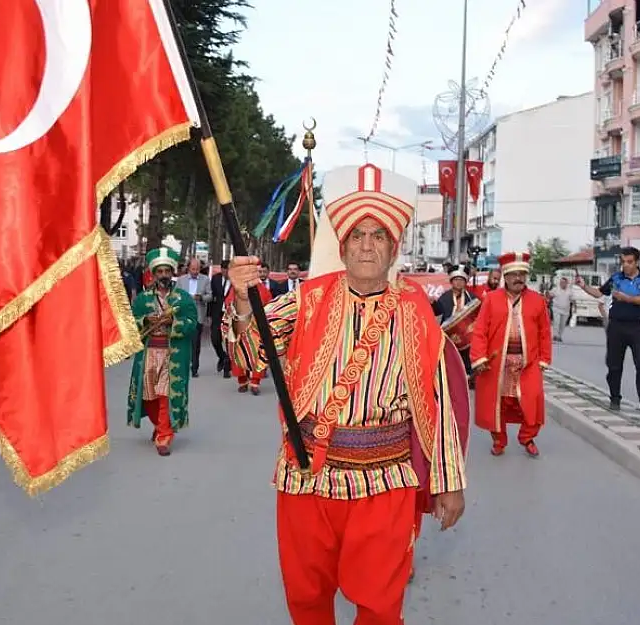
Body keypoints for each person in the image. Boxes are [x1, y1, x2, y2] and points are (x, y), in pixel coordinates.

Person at [224, 163, 467, 624]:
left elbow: (439, 404)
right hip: (306, 476)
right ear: (343, 246)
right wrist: (240, 301)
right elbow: (251, 358)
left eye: (378, 236)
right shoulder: (306, 300)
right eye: (358, 235)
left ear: (393, 248)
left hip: (384, 480)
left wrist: (448, 481)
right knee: (307, 600)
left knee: (380, 606)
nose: (368, 245)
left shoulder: (417, 313)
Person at [469, 251, 552, 457]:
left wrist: (544, 359)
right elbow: (480, 331)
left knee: (532, 401)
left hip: (528, 363)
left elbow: (545, 332)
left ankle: (527, 437)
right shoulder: (491, 300)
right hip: (497, 363)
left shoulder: (537, 300)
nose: (518, 279)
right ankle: (499, 441)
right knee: (497, 405)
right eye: (514, 274)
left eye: (522, 274)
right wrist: (479, 357)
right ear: (505, 276)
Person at [126, 248, 198, 456]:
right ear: (154, 274)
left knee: (165, 393)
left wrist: (173, 322)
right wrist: (146, 321)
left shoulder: (183, 298)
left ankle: (164, 435)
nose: (164, 275)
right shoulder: (142, 299)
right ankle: (159, 424)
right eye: (160, 272)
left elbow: (192, 322)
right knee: (149, 396)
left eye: (167, 271)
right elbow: (131, 322)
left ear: (172, 272)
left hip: (172, 353)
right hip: (149, 354)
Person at [575, 247, 640, 411]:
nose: (626, 265)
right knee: (614, 364)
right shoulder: (616, 278)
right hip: (617, 325)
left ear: (637, 262)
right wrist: (583, 286)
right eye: (623, 262)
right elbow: (598, 293)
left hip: (638, 325)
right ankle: (615, 398)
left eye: (629, 262)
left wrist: (627, 298)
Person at [225, 276, 271, 394]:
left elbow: (269, 304)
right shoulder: (236, 287)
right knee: (238, 354)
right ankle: (243, 381)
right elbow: (228, 302)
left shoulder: (261, 289)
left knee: (257, 355)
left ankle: (255, 382)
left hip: (256, 328)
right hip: (239, 326)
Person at [175, 258, 211, 377]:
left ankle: (194, 367)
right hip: (183, 316)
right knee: (183, 342)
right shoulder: (180, 280)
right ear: (188, 268)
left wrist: (201, 297)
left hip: (198, 316)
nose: (195, 271)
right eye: (193, 269)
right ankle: (182, 365)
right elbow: (175, 295)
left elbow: (210, 296)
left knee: (195, 343)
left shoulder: (205, 280)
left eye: (198, 269)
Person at [208, 260, 232, 377]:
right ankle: (222, 357)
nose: (228, 272)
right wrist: (209, 315)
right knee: (215, 339)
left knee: (228, 341)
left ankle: (227, 367)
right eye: (225, 269)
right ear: (222, 269)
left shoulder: (235, 280)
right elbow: (211, 296)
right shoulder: (215, 279)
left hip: (230, 315)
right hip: (217, 313)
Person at [548, 276, 572, 342]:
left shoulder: (570, 290)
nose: (562, 284)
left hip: (566, 310)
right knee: (556, 322)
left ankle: (559, 336)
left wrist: (575, 308)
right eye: (561, 282)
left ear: (567, 283)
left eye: (564, 282)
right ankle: (556, 335)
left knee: (562, 324)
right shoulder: (555, 289)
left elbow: (572, 300)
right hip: (556, 309)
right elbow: (549, 296)